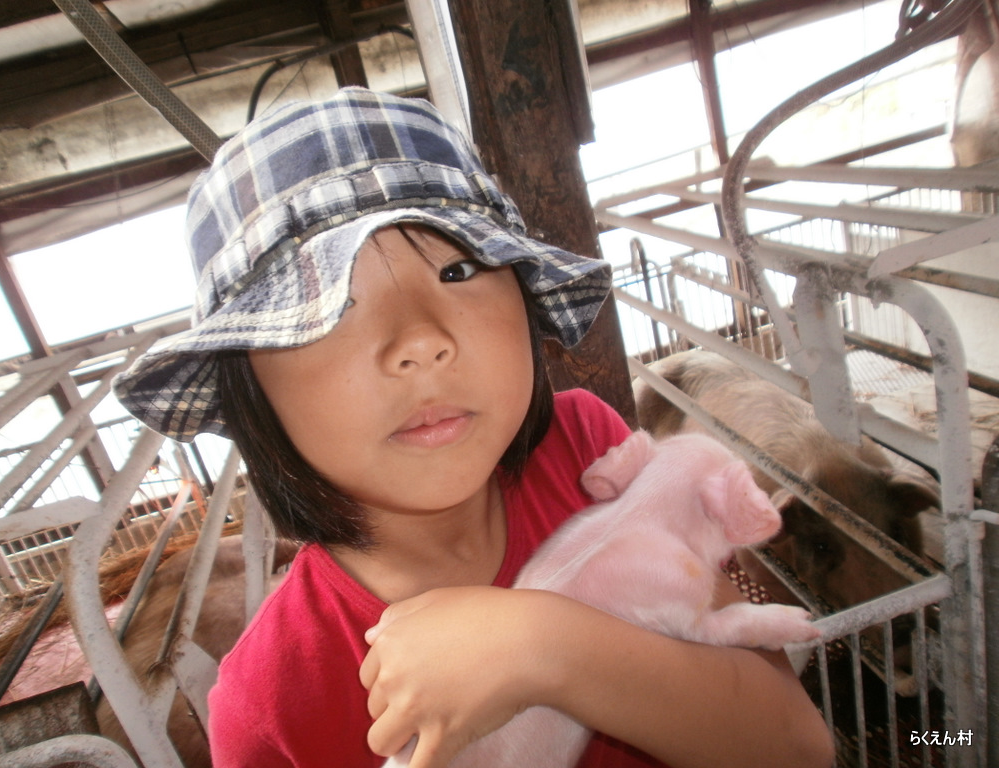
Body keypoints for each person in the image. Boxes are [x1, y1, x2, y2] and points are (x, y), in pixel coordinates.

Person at [114, 87, 834, 768]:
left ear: (524, 304)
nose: (420, 341)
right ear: (250, 395)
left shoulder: (590, 452)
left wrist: (546, 648)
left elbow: (796, 747)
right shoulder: (270, 708)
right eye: (325, 308)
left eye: (458, 271)